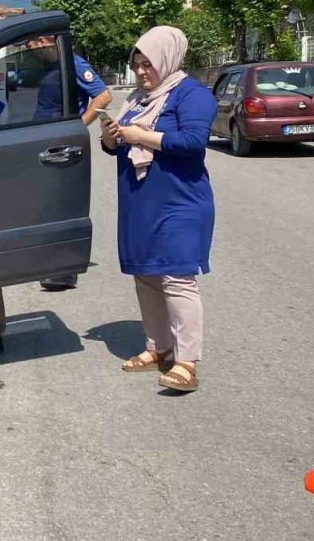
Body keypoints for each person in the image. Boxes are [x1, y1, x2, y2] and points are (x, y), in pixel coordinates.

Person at [101, 26, 216, 393]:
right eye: (136, 64)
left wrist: (141, 136)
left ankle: (187, 362)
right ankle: (159, 347)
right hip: (141, 203)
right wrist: (111, 139)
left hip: (180, 202)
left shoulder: (192, 95)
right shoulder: (137, 99)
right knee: (147, 275)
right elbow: (121, 146)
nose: (140, 72)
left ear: (167, 59)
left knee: (178, 277)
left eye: (147, 64)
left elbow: (193, 142)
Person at [38, 39, 114, 291]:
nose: (31, 47)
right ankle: (49, 261)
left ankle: (65, 271)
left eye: (34, 42)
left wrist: (78, 126)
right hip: (44, 141)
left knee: (61, 207)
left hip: (60, 144)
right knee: (47, 205)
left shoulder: (73, 64)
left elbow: (103, 96)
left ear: (46, 41)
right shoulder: (51, 66)